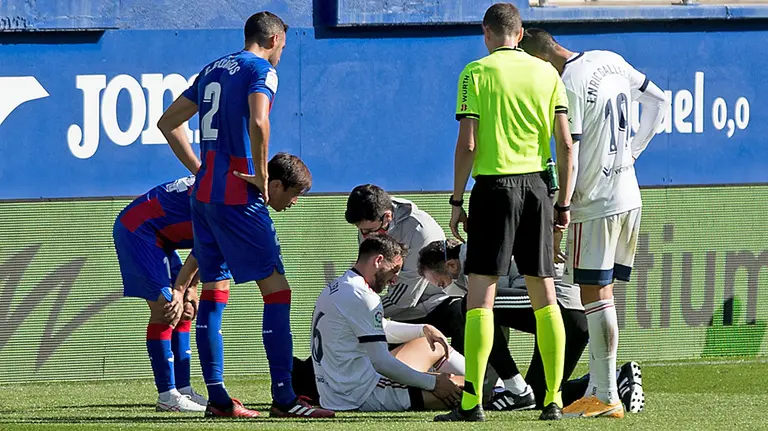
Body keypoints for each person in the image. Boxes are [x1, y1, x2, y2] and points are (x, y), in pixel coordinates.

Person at [158, 15, 335, 415]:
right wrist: (260, 174)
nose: (282, 54)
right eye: (284, 47)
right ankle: (286, 399)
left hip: (202, 197)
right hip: (238, 196)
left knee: (214, 294)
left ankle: (219, 399)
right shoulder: (262, 70)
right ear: (274, 39)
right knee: (277, 292)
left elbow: (168, 123)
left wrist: (200, 169)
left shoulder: (213, 68)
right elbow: (259, 120)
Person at [435, 3, 574, 422]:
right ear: (520, 32)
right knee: (545, 294)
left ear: (486, 33)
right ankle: (552, 398)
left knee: (480, 297)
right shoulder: (547, 73)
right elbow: (566, 145)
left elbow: (469, 145)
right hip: (536, 188)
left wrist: (457, 200)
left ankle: (472, 402)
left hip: (493, 189)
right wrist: (562, 203)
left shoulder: (476, 73)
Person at [520, 29, 665, 419]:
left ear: (539, 61)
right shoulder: (608, 58)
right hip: (628, 194)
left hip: (595, 203)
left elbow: (572, 150)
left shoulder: (566, 83)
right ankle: (601, 390)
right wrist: (632, 154)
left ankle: (605, 395)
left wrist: (561, 209)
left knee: (595, 297)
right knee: (602, 295)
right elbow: (659, 100)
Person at [417, 237, 645, 414]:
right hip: (574, 319)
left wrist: (485, 391)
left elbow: (489, 325)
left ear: (451, 264)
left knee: (474, 305)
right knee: (540, 396)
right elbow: (494, 332)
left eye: (440, 283)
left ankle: (517, 390)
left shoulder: (477, 256)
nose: (443, 288)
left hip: (562, 307)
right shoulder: (475, 256)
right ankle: (616, 379)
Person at [310, 234, 465, 412]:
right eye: (394, 270)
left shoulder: (342, 285)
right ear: (379, 260)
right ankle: (496, 388)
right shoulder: (362, 296)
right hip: (363, 395)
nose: (394, 280)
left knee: (430, 343)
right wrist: (434, 383)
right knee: (472, 390)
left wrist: (423, 329)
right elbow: (381, 363)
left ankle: (489, 383)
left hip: (337, 391)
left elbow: (379, 328)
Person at [113, 175, 206, 412]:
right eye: (295, 193)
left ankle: (183, 390)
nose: (295, 201)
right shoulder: (230, 198)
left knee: (185, 310)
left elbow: (208, 246)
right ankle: (167, 396)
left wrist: (190, 288)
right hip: (138, 230)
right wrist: (183, 288)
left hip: (162, 238)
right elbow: (208, 244)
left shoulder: (235, 191)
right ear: (275, 185)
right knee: (166, 307)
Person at [344, 185, 466, 353]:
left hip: (436, 306)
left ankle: (467, 377)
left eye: (370, 231)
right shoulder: (370, 225)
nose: (365, 237)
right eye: (361, 231)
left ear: (387, 217)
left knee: (463, 312)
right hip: (401, 317)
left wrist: (364, 311)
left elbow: (406, 299)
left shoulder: (421, 232)